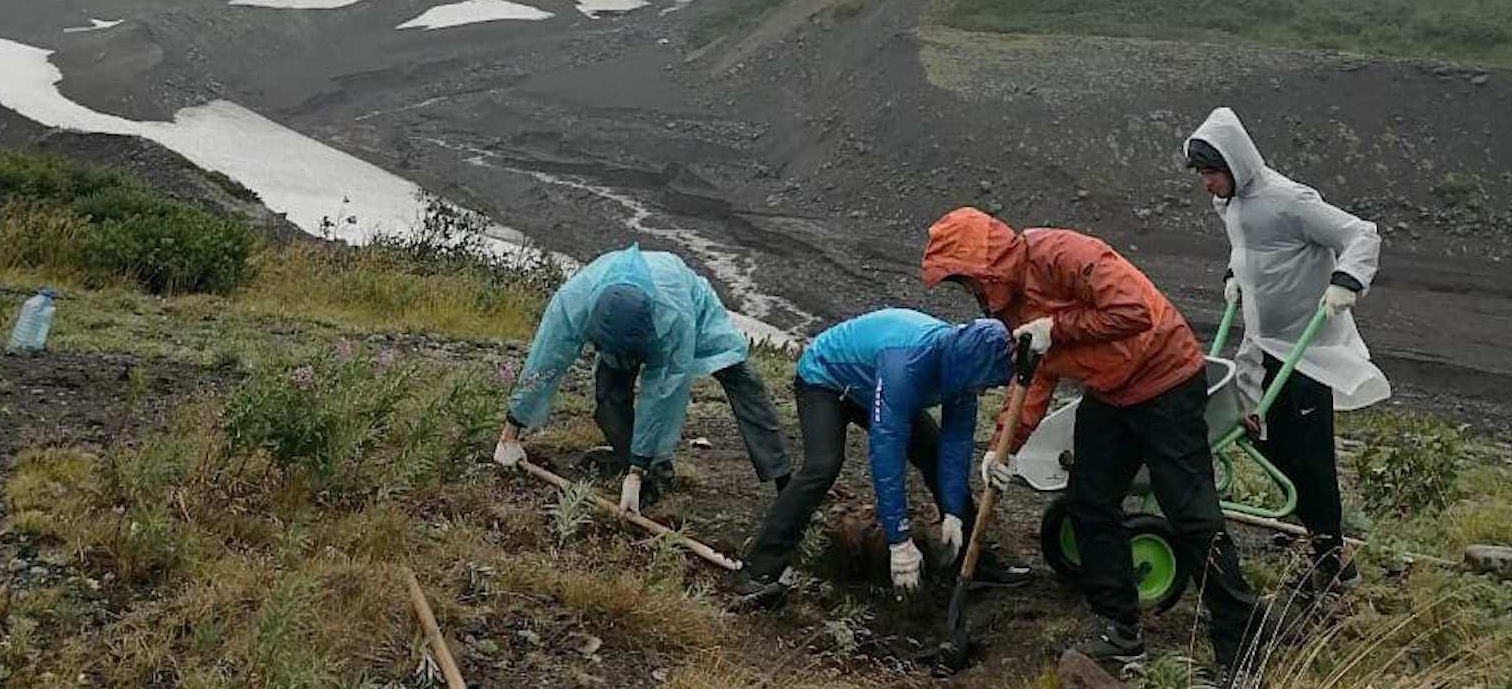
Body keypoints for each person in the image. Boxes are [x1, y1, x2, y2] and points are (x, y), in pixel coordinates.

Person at [922, 208, 1258, 677]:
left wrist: (1055, 327)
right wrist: (1004, 447)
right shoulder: (1008, 302)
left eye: (966, 281)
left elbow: (1133, 311)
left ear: (985, 265)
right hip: (1110, 391)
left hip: (1166, 378)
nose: (970, 293)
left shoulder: (1062, 254)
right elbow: (1033, 375)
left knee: (1192, 515)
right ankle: (1121, 630)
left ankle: (1240, 650)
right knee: (1089, 501)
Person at [1186, 106, 1387, 594]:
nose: (1207, 184)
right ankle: (1313, 531)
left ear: (1235, 164)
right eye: (1203, 174)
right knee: (1250, 430)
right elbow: (1253, 251)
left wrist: (1346, 282)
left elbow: (1360, 233)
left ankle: (1334, 560)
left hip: (1306, 345)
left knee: (1308, 455)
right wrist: (1236, 276)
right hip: (1262, 341)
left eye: (1212, 172)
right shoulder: (1231, 203)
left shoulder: (1288, 199)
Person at [729, 308, 1033, 607]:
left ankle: (974, 560)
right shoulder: (907, 366)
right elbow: (887, 455)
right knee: (822, 465)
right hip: (826, 379)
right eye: (984, 383)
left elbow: (955, 447)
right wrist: (899, 541)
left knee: (934, 452)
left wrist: (954, 513)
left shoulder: (963, 370)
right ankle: (758, 568)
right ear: (970, 369)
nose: (982, 392)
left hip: (875, 383)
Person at [492, 244, 790, 513]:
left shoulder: (674, 320)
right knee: (609, 392)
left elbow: (662, 395)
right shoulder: (575, 301)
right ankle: (650, 472)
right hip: (623, 324)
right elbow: (544, 359)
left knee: (742, 378)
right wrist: (510, 433)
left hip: (688, 305)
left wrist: (635, 471)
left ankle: (785, 481)